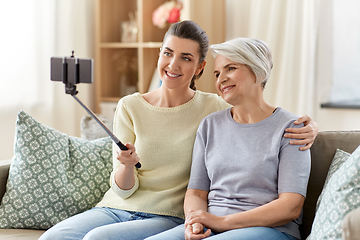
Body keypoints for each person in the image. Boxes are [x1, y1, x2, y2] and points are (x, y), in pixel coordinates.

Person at [39, 22, 316, 240]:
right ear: (159, 54)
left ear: (199, 67)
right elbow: (134, 188)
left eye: (185, 58)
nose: (173, 65)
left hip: (171, 216)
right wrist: (125, 166)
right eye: (168, 53)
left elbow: (261, 115)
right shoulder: (139, 108)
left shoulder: (214, 107)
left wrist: (312, 127)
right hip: (121, 207)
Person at [145, 38, 311, 240]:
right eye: (217, 73)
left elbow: (290, 206)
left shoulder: (292, 128)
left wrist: (222, 223)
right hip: (211, 225)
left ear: (258, 72)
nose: (220, 79)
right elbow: (196, 193)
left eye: (230, 68)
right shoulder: (209, 125)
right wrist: (195, 222)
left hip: (269, 230)